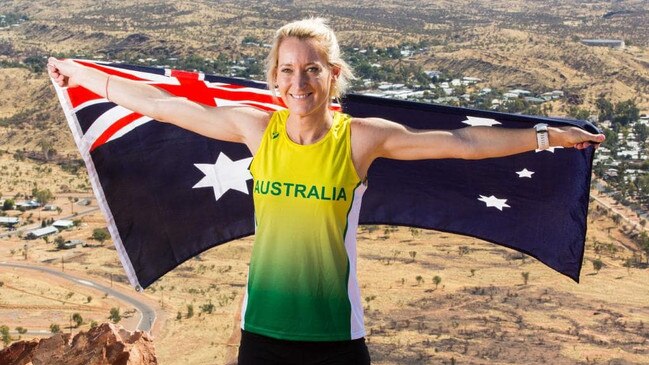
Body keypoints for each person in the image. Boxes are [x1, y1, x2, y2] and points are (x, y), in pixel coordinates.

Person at [48, 18, 604, 365]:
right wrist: (80, 74)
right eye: (287, 70)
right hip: (260, 331)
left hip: (336, 337)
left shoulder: (360, 139)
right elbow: (166, 107)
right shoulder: (253, 128)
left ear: (332, 75)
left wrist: (547, 135)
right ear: (274, 78)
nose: (298, 82)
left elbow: (462, 143)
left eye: (311, 70)